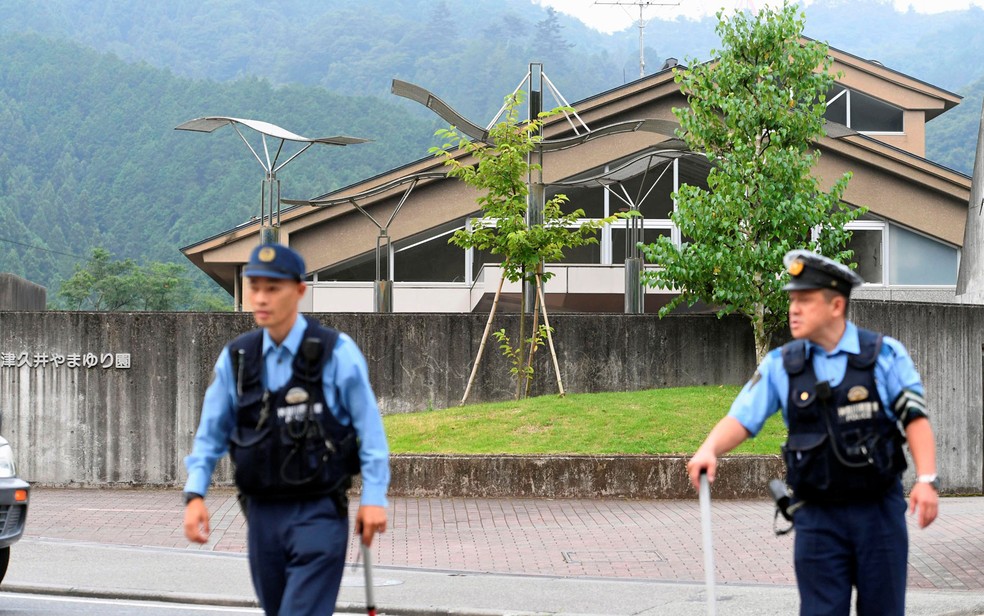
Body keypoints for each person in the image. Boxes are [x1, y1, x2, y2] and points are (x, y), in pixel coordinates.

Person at [686, 249, 939, 616]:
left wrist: (927, 480)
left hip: (878, 515)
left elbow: (915, 418)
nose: (794, 309)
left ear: (836, 305)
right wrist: (710, 449)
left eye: (804, 300)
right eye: (792, 300)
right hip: (817, 517)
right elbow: (741, 418)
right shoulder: (781, 365)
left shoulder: (884, 355)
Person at [182, 242, 390, 616]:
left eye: (273, 288)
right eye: (254, 286)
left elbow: (370, 431)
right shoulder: (237, 359)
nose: (261, 298)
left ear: (298, 290)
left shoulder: (336, 352)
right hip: (261, 515)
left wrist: (374, 497)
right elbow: (211, 432)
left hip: (319, 511)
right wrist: (195, 494)